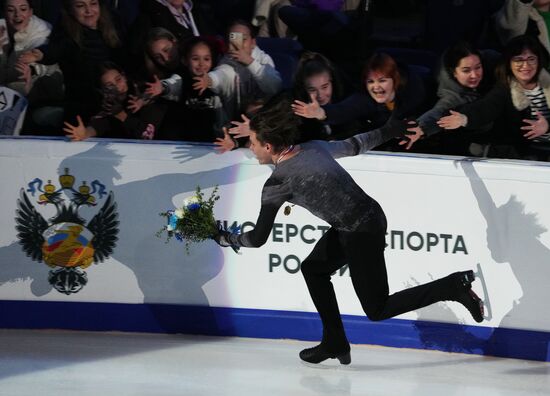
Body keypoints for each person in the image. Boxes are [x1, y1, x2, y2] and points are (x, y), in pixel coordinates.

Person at [213, 95, 485, 365]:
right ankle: (335, 341)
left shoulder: (278, 182)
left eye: (253, 142)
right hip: (361, 221)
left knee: (377, 309)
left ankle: (453, 286)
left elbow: (258, 238)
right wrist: (388, 131)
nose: (251, 147)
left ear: (269, 146)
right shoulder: (313, 147)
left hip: (361, 232)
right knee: (313, 269)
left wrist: (224, 237)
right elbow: (356, 144)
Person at [438, 34, 550, 159]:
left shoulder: (548, 82)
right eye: (518, 60)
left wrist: (547, 127)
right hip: (526, 154)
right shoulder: (504, 89)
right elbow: (485, 108)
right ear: (509, 63)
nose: (525, 66)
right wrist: (463, 119)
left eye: (531, 59)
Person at [19, 0, 127, 126]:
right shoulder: (67, 33)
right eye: (80, 6)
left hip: (117, 101)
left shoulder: (114, 22)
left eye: (93, 4)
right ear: (70, 9)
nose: (88, 11)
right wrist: (41, 55)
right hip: (82, 105)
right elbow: (56, 49)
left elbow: (128, 57)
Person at [292, 52, 426, 149]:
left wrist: (424, 127)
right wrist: (321, 113)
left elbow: (433, 112)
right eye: (370, 82)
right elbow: (345, 110)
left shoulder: (414, 92)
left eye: (382, 80)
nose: (376, 87)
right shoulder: (365, 98)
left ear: (395, 80)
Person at [405, 41, 494, 154]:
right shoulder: (452, 95)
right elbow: (439, 112)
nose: (474, 75)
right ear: (454, 72)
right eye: (466, 70)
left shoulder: (493, 63)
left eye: (478, 67)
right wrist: (421, 127)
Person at [193, 19, 282, 121]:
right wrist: (210, 80)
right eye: (233, 39)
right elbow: (223, 75)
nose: (238, 44)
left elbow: (275, 87)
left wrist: (250, 62)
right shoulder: (226, 61)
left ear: (253, 42)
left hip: (262, 122)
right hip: (232, 121)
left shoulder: (263, 59)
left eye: (243, 39)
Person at [0, 0, 63, 134]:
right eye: (11, 10)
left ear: (30, 12)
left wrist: (32, 68)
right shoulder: (1, 27)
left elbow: (20, 71)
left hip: (39, 93)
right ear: (4, 13)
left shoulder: (42, 33)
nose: (17, 15)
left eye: (23, 9)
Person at [63, 61, 160, 141]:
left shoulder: (145, 94)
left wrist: (121, 115)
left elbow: (147, 136)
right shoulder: (109, 107)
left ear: (124, 77)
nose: (117, 87)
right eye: (110, 85)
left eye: (118, 80)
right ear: (102, 91)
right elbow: (98, 125)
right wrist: (84, 133)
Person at [291, 51, 356, 140]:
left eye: (324, 87)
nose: (320, 95)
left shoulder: (351, 100)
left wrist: (321, 113)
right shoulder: (295, 110)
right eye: (312, 89)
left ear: (332, 81)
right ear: (304, 88)